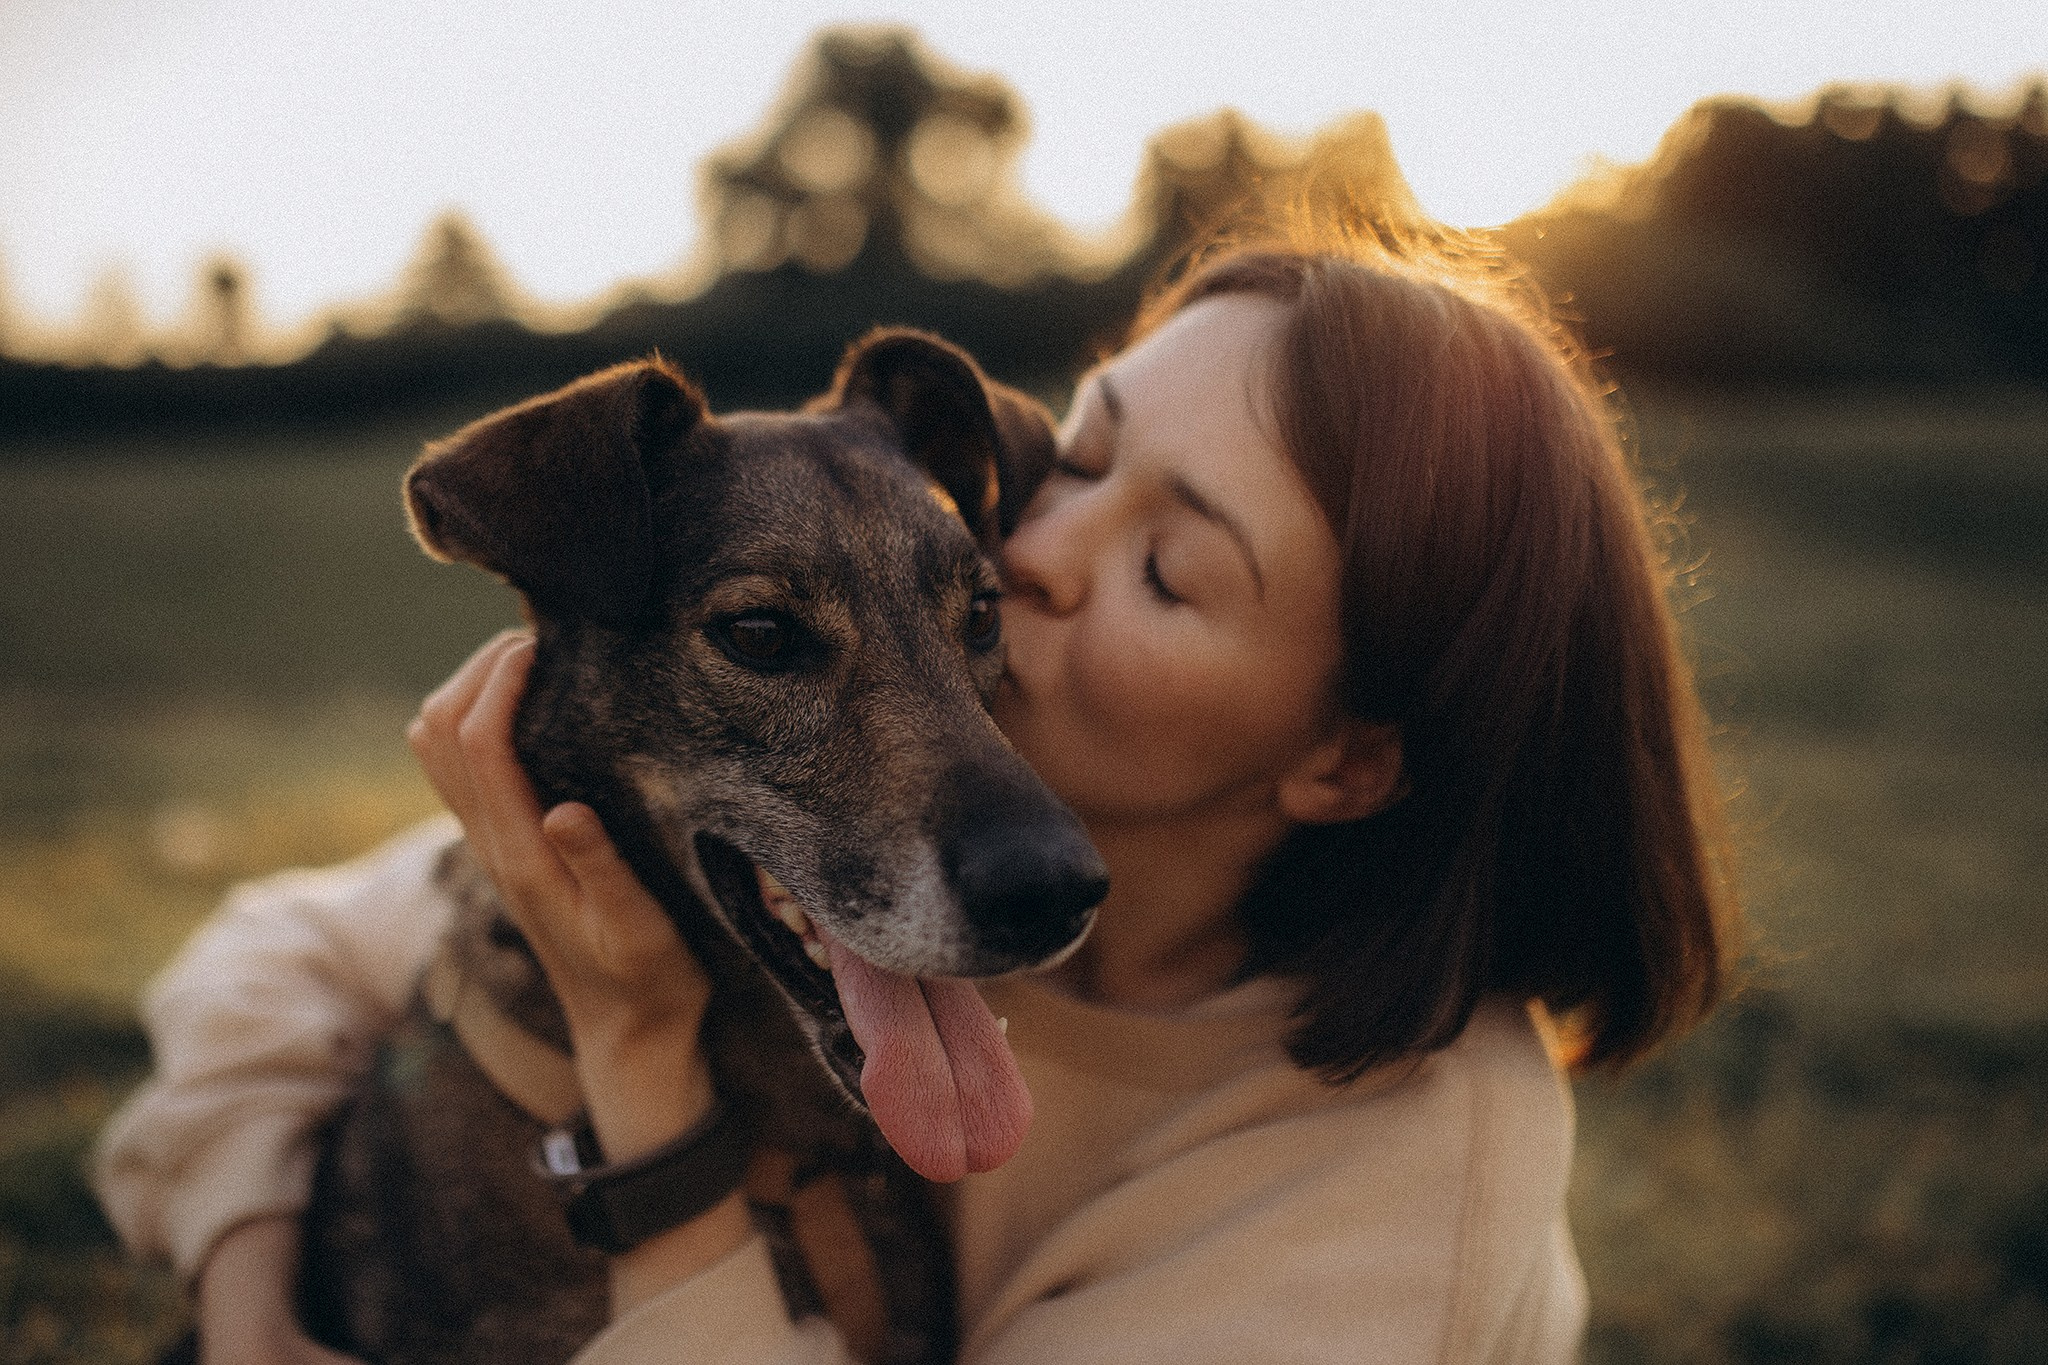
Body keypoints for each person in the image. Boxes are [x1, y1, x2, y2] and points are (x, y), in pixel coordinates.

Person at [95, 233, 1737, 1364]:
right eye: (1067, 460)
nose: (1016, 559)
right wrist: (250, 1308)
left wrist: (639, 1068)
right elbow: (277, 954)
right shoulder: (793, 876)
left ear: (1348, 756)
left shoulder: (1403, 1163)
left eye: (1166, 567)